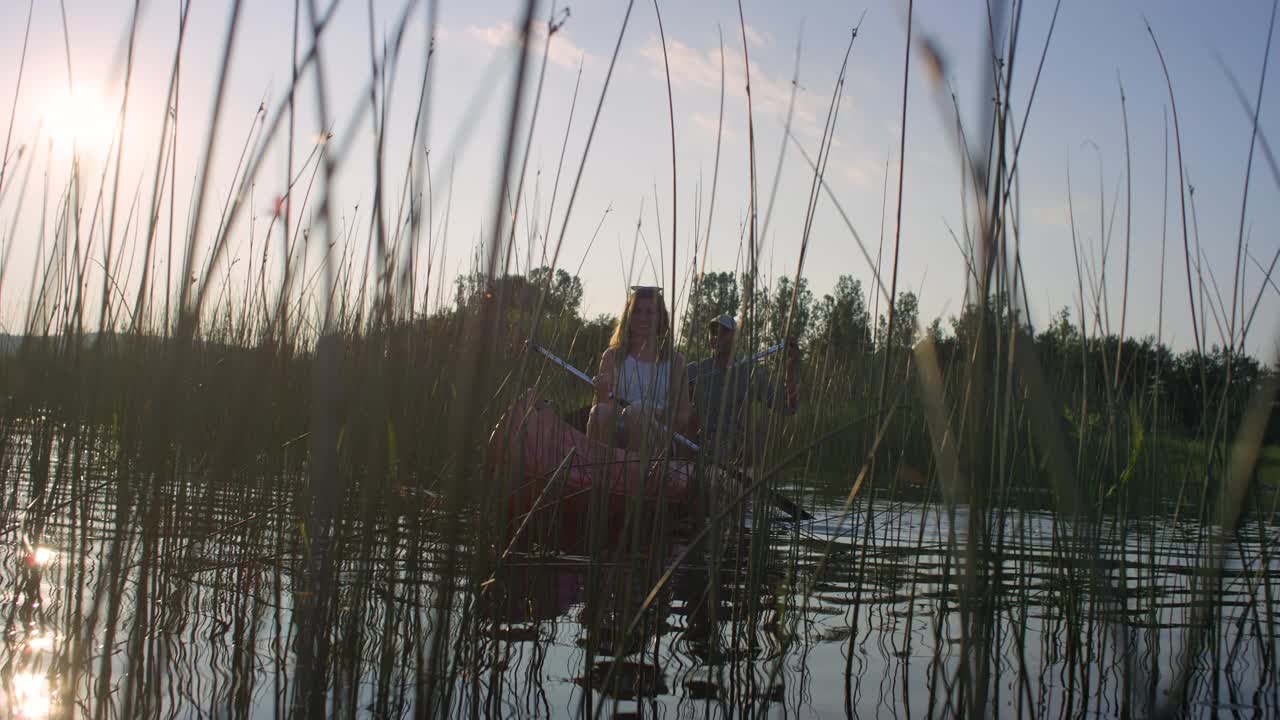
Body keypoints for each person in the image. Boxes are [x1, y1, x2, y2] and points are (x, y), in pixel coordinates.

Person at [585, 286, 694, 451]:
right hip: (617, 433)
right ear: (628, 315)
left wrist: (653, 413)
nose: (642, 318)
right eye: (636, 311)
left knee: (636, 412)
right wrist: (601, 395)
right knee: (600, 411)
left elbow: (683, 417)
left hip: (658, 438)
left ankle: (635, 472)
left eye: (650, 312)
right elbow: (604, 406)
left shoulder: (676, 361)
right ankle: (596, 471)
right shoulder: (612, 356)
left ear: (660, 318)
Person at [686, 314, 800, 467]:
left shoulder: (752, 374)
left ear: (735, 339)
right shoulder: (693, 370)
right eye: (713, 333)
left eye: (723, 333)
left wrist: (790, 369)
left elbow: (788, 408)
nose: (716, 337)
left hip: (735, 455)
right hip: (698, 451)